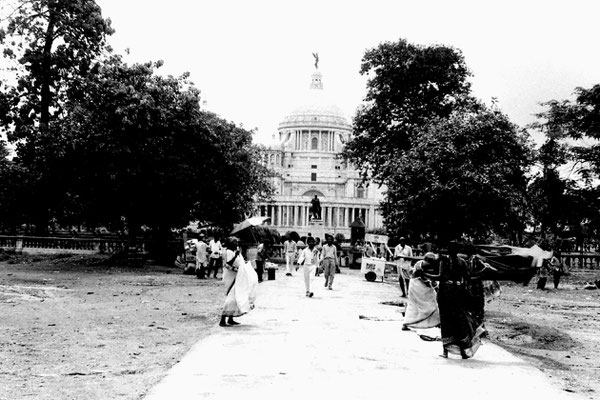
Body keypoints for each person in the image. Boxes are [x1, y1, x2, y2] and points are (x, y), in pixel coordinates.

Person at [424, 241, 485, 359]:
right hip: (458, 293)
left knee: (446, 322)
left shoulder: (444, 261)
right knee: (459, 323)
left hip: (446, 293)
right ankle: (463, 351)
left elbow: (442, 277)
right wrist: (482, 273)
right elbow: (468, 277)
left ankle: (446, 351)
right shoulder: (462, 262)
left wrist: (427, 275)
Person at [219, 237, 258, 327]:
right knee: (231, 298)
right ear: (230, 244)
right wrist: (236, 259)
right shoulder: (228, 252)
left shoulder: (235, 252)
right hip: (231, 277)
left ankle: (230, 318)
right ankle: (222, 319)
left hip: (237, 276)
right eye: (234, 243)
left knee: (236, 297)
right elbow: (227, 265)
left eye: (237, 243)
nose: (236, 245)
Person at [402, 252, 440, 331]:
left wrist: (432, 283)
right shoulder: (420, 266)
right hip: (417, 285)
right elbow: (424, 278)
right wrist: (433, 285)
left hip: (421, 285)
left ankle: (434, 322)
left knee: (431, 302)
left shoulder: (426, 265)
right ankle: (407, 323)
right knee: (414, 306)